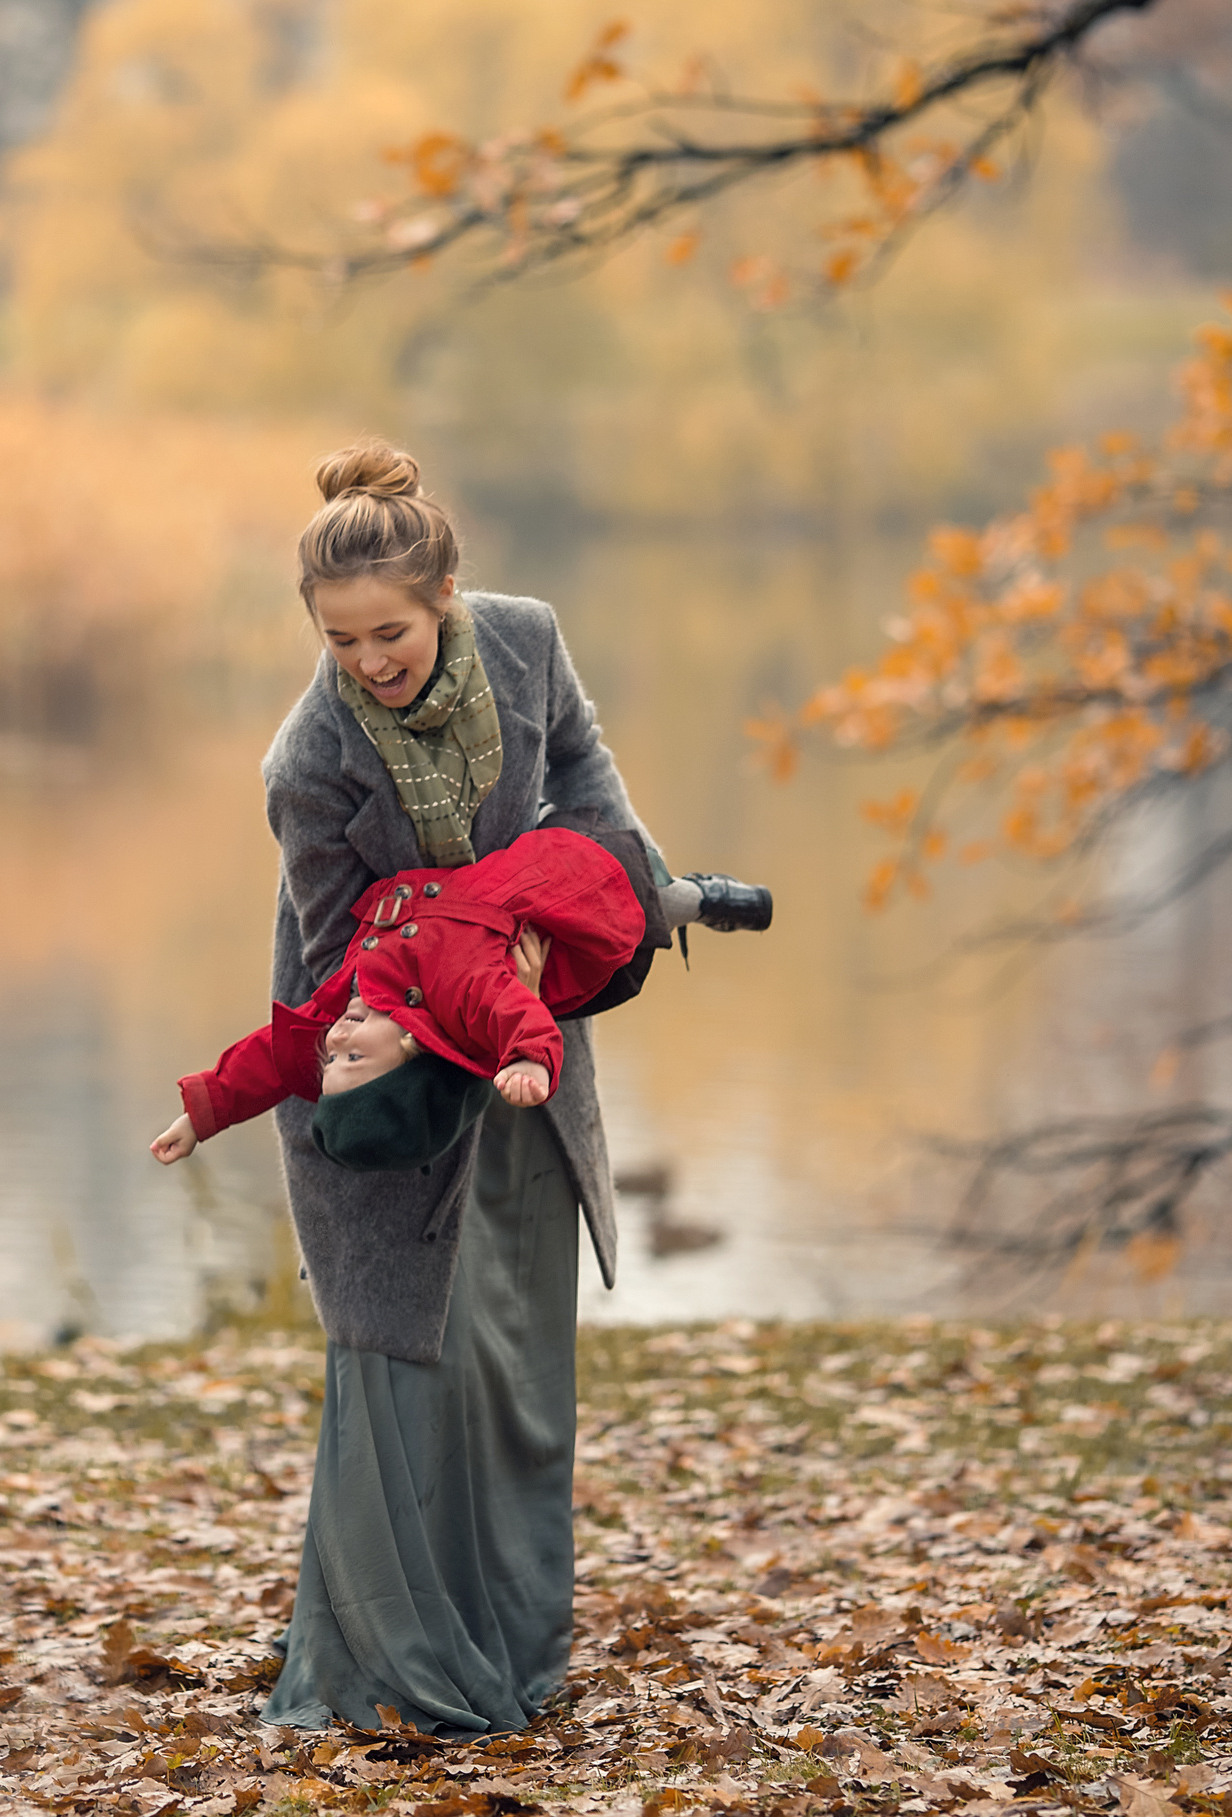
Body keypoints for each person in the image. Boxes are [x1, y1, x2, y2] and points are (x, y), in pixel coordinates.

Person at [222, 437, 751, 1737]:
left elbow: (591, 792)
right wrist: (437, 976)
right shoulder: (312, 762)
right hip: (389, 1083)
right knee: (405, 1356)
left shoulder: (525, 646)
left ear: (445, 594)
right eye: (340, 642)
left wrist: (566, 904)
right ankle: (387, 1657)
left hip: (522, 1060)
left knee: (512, 1358)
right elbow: (339, 955)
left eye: (388, 632)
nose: (368, 663)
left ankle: (514, 1642)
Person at [149, 824, 771, 1171]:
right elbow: (516, 1016)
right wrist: (527, 1061)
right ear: (414, 1045)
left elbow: (271, 1061)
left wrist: (203, 1115)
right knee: (653, 897)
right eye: (353, 1060)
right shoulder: (459, 992)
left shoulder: (355, 999)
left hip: (496, 873)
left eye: (330, 1061)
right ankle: (707, 899)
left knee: (565, 824)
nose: (333, 1040)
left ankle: (700, 898)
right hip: (568, 896)